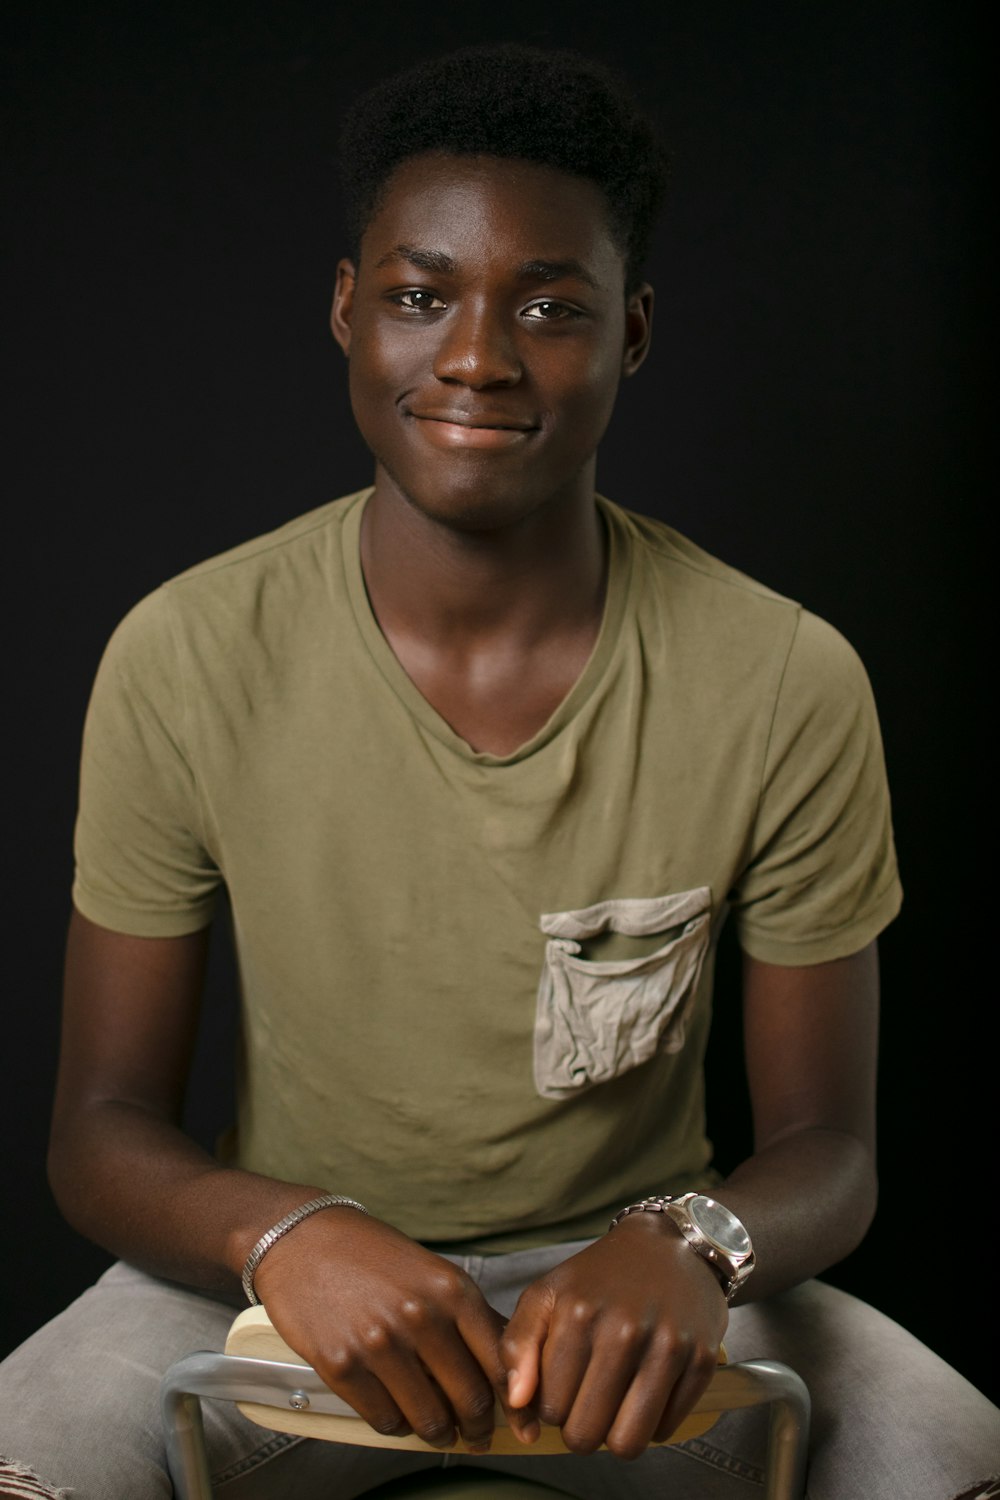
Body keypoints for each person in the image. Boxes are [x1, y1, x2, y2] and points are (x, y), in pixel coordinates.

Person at [1, 43, 997, 1500]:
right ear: (349, 311)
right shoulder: (187, 650)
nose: (477, 354)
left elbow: (831, 1146)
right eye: (420, 296)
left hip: (639, 1289)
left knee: (959, 1461)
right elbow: (98, 1133)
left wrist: (689, 1244)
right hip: (274, 1279)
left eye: (550, 306)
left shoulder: (785, 675)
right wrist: (282, 1235)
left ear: (634, 334)